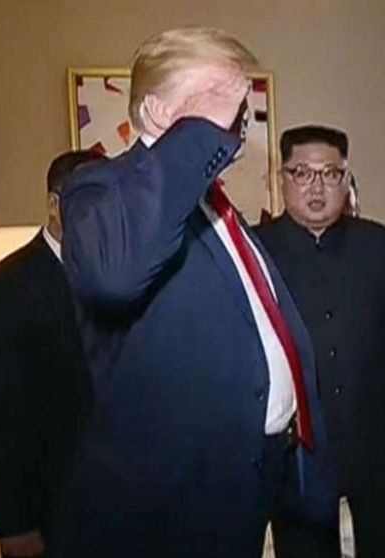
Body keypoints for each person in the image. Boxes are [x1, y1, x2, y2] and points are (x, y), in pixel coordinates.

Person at [50, 28, 336, 558]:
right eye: (220, 103)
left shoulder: (215, 205)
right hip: (169, 508)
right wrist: (197, 132)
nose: (235, 124)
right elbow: (116, 276)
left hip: (252, 481)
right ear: (158, 112)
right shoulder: (99, 190)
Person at [255, 124, 385, 558]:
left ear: (347, 180)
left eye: (330, 174)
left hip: (377, 434)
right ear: (282, 180)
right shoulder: (259, 249)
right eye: (302, 174)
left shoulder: (379, 244)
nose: (317, 187)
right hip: (299, 443)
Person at [0, 149, 104, 558]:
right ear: (54, 206)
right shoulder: (1, 292)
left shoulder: (121, 279)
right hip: (48, 512)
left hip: (121, 506)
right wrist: (15, 526)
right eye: (89, 200)